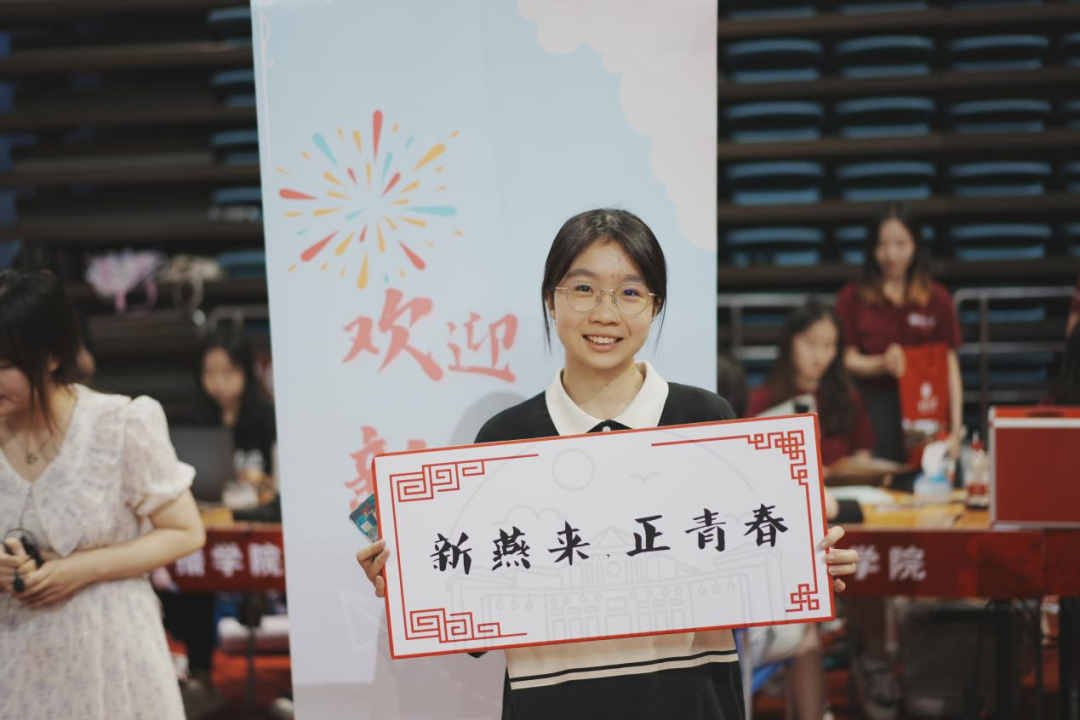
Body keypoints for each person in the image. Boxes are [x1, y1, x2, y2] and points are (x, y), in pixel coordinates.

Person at [355, 208, 859, 720]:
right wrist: (412, 581)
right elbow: (477, 625)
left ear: (655, 305)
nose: (605, 313)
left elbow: (748, 575)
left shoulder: (707, 423)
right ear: (550, 298)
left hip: (692, 704)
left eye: (630, 292)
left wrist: (804, 560)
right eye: (583, 289)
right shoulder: (504, 440)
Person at [0, 270, 205, 719]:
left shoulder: (120, 423)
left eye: (4, 366)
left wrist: (80, 569)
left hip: (111, 655)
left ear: (53, 356)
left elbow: (186, 532)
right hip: (15, 664)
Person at [159, 327, 280, 715]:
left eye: (228, 372)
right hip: (208, 526)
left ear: (246, 371)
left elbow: (279, 486)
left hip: (259, 525)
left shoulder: (268, 419)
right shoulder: (195, 419)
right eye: (209, 373)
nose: (219, 383)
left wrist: (260, 482)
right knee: (187, 582)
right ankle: (200, 672)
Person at [836, 203, 963, 463]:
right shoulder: (852, 297)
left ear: (915, 245)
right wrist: (882, 363)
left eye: (901, 244)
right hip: (870, 408)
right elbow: (845, 358)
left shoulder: (937, 298)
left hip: (924, 408)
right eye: (882, 245)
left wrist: (955, 431)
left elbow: (949, 364)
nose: (891, 255)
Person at [748, 299, 876, 474]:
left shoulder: (848, 398)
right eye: (810, 343)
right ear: (790, 342)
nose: (819, 356)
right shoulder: (762, 399)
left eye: (828, 346)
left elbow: (863, 454)